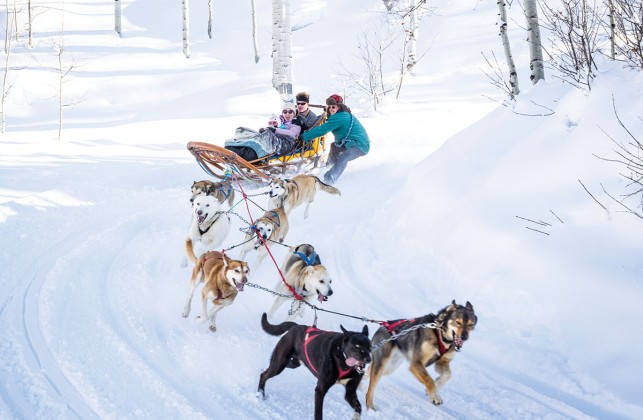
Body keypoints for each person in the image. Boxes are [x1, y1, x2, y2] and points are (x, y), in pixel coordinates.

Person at [301, 94, 370, 185]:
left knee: (344, 157)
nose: (331, 109)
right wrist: (329, 113)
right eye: (329, 107)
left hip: (360, 145)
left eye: (333, 107)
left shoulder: (341, 116)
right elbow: (331, 121)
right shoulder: (341, 114)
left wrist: (304, 136)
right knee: (334, 146)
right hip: (349, 143)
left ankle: (329, 179)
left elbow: (323, 129)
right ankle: (328, 166)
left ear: (340, 107)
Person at [224, 102, 302, 161]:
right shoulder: (280, 120)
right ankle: (237, 146)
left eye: (290, 112)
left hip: (286, 143)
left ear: (294, 113)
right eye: (285, 112)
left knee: (265, 137)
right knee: (244, 130)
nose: (287, 114)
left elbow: (292, 133)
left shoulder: (296, 123)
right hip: (275, 139)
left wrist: (274, 130)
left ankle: (248, 154)